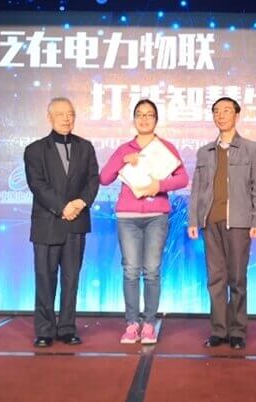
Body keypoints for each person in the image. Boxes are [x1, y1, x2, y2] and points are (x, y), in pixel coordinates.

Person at [100, 99, 188, 344]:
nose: (144, 119)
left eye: (149, 115)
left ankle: (149, 323)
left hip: (156, 217)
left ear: (156, 120)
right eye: (140, 114)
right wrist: (123, 160)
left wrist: (159, 185)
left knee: (151, 270)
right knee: (130, 270)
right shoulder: (124, 149)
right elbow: (104, 178)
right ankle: (131, 324)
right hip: (128, 217)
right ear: (134, 119)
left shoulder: (166, 148)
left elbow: (183, 179)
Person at [187, 97, 256, 350]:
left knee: (237, 278)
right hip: (210, 221)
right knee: (215, 279)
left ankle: (238, 331)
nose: (220, 115)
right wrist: (193, 219)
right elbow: (197, 189)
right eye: (216, 111)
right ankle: (218, 330)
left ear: (237, 115)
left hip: (239, 223)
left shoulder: (252, 149)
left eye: (226, 111)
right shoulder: (205, 152)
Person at [24, 97, 99, 347]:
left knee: (71, 278)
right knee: (45, 278)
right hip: (47, 223)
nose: (66, 119)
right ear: (49, 118)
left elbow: (93, 180)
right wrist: (62, 207)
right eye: (60, 114)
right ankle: (44, 329)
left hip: (76, 223)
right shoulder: (35, 150)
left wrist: (81, 202)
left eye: (70, 114)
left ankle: (67, 327)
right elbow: (37, 185)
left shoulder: (85, 147)